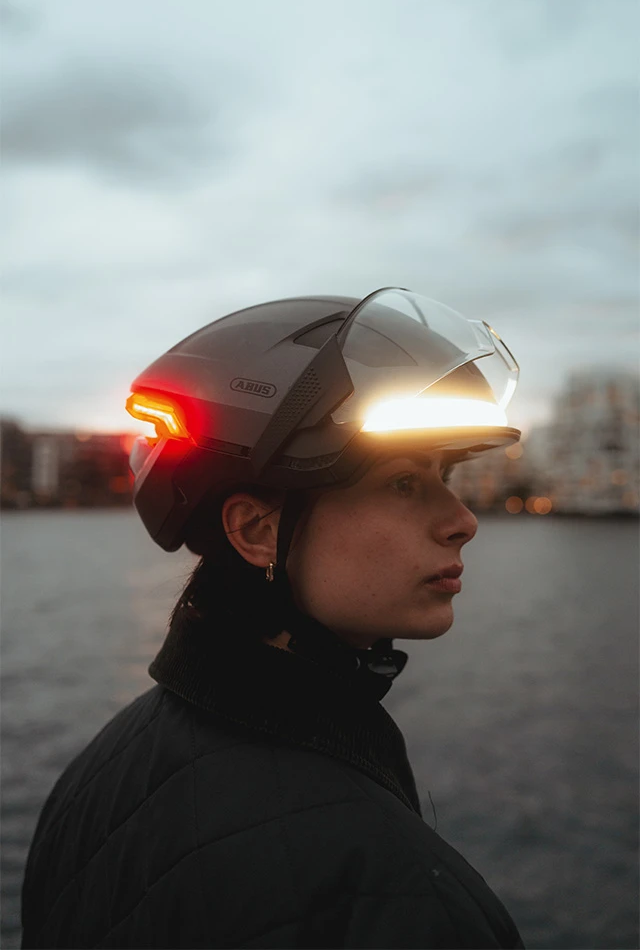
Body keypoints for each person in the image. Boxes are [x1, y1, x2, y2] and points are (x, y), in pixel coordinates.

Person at [21, 287, 525, 948]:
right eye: (403, 483)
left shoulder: (106, 768)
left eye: (445, 478)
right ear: (257, 531)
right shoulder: (402, 898)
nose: (461, 523)